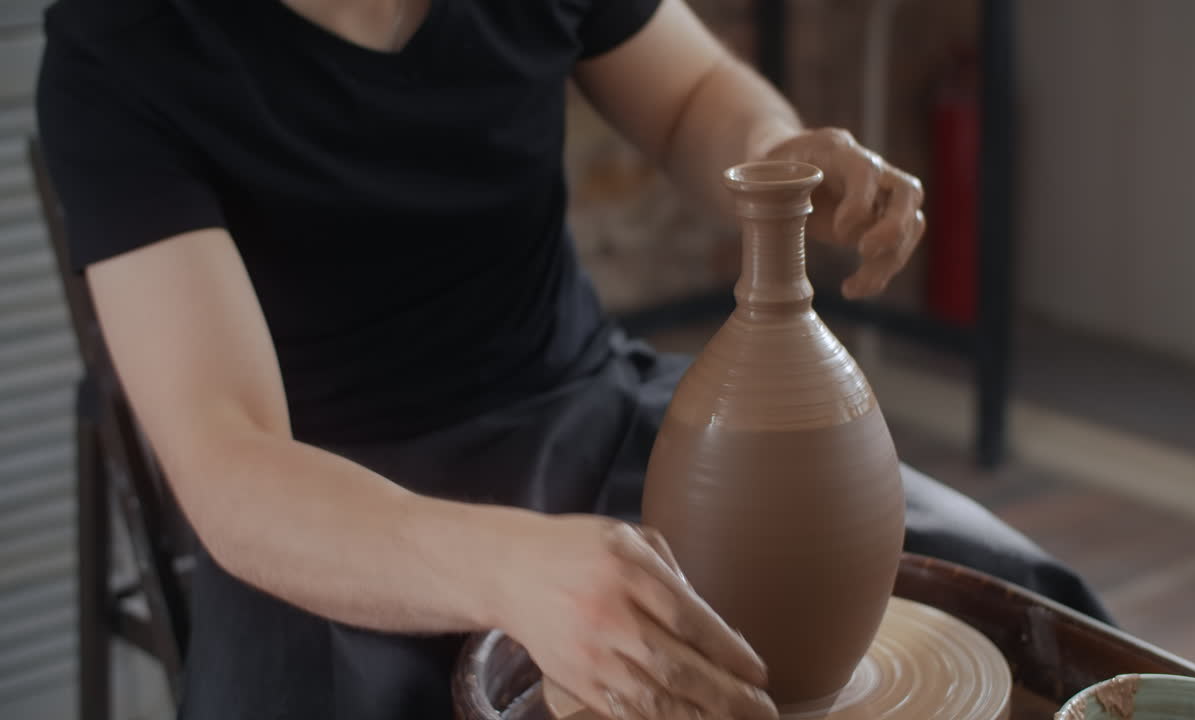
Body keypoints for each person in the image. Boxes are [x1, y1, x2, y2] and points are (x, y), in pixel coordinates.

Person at [37, 0, 1109, 718]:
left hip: (577, 401)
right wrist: (511, 570)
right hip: (335, 518)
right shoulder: (125, 45)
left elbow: (694, 99)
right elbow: (229, 464)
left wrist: (775, 164)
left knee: (1023, 612)